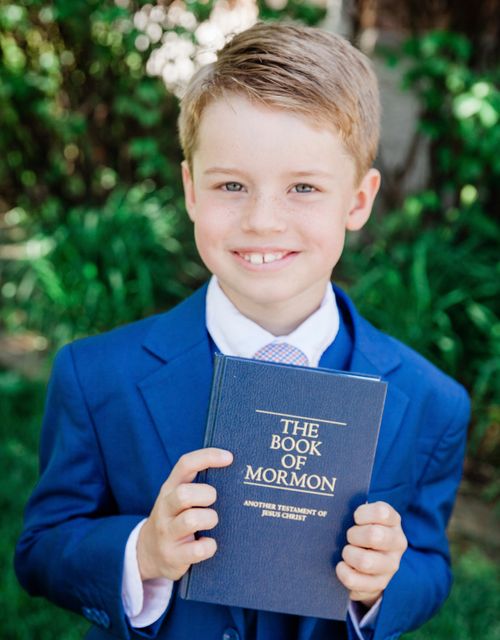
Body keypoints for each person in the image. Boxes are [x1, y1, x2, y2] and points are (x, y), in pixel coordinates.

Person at [15, 21, 470, 640]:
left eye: (303, 188)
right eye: (231, 185)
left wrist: (380, 584)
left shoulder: (432, 403)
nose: (262, 220)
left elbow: (430, 567)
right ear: (191, 191)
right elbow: (42, 549)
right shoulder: (97, 377)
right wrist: (141, 553)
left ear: (358, 201)